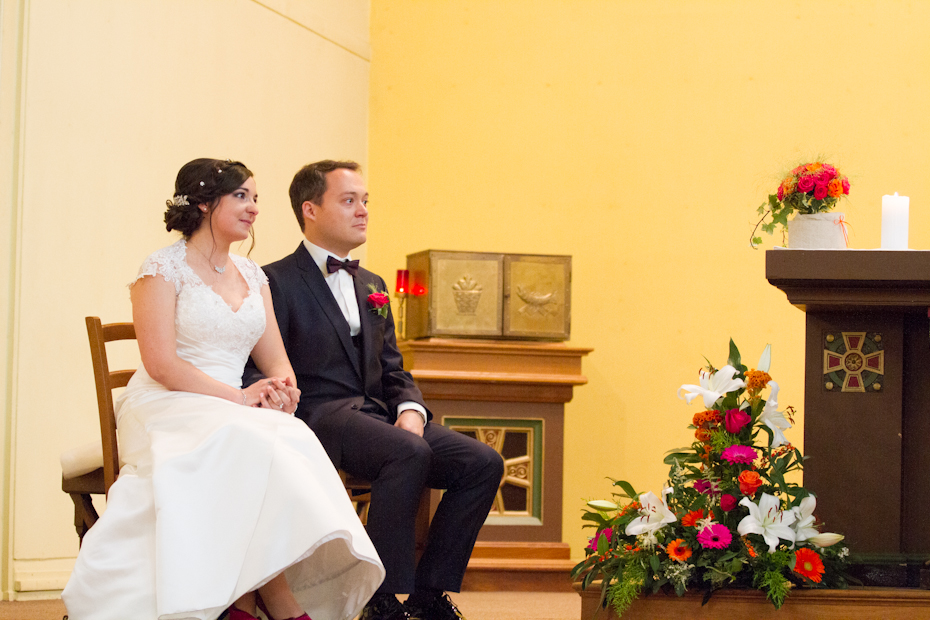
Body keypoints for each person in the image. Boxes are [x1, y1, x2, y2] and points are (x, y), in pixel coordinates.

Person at [62, 159, 384, 620]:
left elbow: (276, 360)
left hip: (231, 407)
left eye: (255, 198)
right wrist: (241, 398)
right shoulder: (161, 268)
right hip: (166, 401)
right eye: (240, 196)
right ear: (203, 204)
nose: (254, 208)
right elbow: (161, 364)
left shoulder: (253, 275)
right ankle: (274, 598)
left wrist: (284, 390)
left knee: (288, 435)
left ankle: (244, 601)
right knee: (243, 439)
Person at [248, 160, 504, 620]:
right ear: (310, 209)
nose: (363, 210)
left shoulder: (373, 284)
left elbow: (392, 368)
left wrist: (411, 410)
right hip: (319, 416)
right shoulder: (273, 281)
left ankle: (429, 594)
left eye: (365, 201)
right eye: (349, 200)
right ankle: (380, 599)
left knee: (482, 462)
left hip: (378, 416)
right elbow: (255, 366)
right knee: (407, 452)